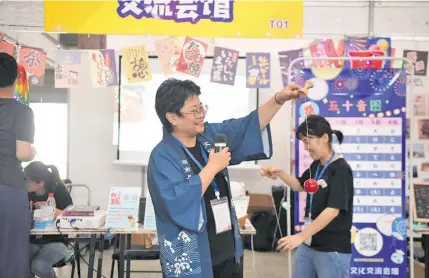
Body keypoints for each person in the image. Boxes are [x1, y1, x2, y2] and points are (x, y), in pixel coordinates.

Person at [147, 78, 306, 278]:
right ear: (172, 117)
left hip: (227, 248)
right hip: (194, 256)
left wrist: (278, 99)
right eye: (194, 111)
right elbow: (176, 202)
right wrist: (212, 167)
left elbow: (246, 126)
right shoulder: (162, 156)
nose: (201, 115)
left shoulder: (209, 136)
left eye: (202, 108)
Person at [260, 115, 353, 278]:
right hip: (309, 244)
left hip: (331, 248)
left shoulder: (341, 170)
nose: (306, 147)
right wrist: (280, 172)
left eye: (308, 140)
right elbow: (299, 185)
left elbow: (332, 211)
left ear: (325, 138)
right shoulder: (316, 166)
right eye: (303, 141)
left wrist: (301, 236)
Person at [0, 52, 36, 278]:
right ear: (16, 79)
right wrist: (34, 151)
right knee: (12, 256)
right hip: (9, 188)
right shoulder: (22, 111)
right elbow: (23, 152)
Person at [26, 161, 73, 278]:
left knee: (39, 266)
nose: (25, 183)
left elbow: (71, 215)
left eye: (27, 180)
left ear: (41, 183)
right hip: (33, 240)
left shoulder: (59, 191)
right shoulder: (27, 193)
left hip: (57, 241)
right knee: (18, 263)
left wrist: (53, 210)